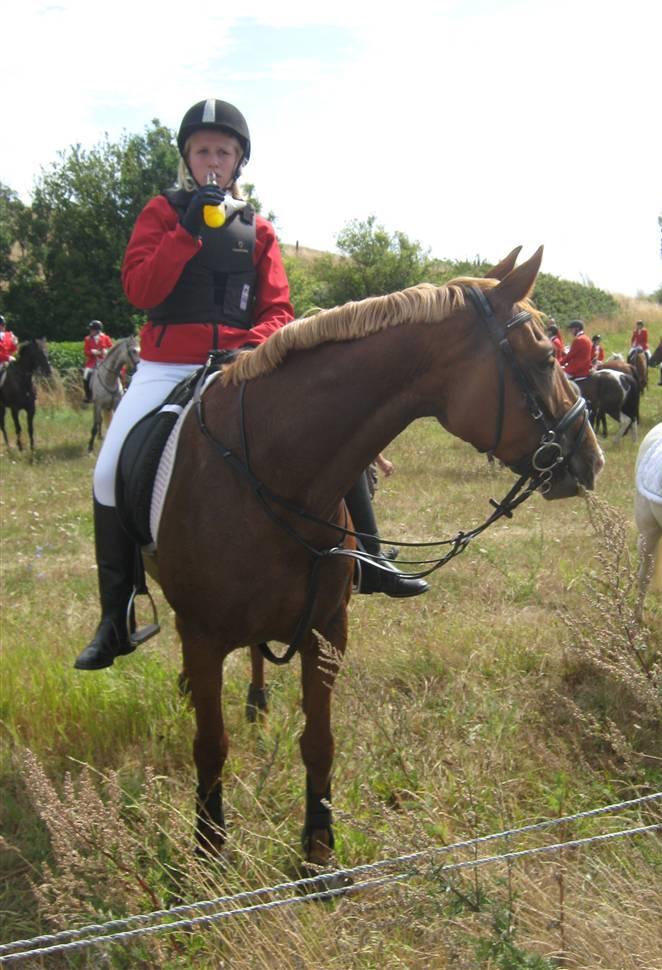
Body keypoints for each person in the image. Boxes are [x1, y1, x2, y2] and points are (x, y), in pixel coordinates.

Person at [74, 98, 426, 671]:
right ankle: (116, 617)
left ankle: (373, 558)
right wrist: (186, 232)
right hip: (166, 365)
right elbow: (140, 290)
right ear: (188, 158)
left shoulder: (257, 228)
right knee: (108, 470)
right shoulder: (161, 215)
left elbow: (280, 308)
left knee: (329, 436)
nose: (213, 160)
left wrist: (249, 346)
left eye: (224, 152)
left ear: (238, 162)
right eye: (203, 151)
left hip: (242, 362)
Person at [82, 320, 113, 403]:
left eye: (92, 330)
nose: (90, 331)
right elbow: (85, 351)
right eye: (90, 330)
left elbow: (111, 348)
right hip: (92, 362)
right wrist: (92, 352)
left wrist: (106, 351)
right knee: (86, 375)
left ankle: (123, 388)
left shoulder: (106, 338)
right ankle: (88, 395)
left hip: (104, 361)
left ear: (97, 330)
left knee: (118, 371)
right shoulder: (87, 339)